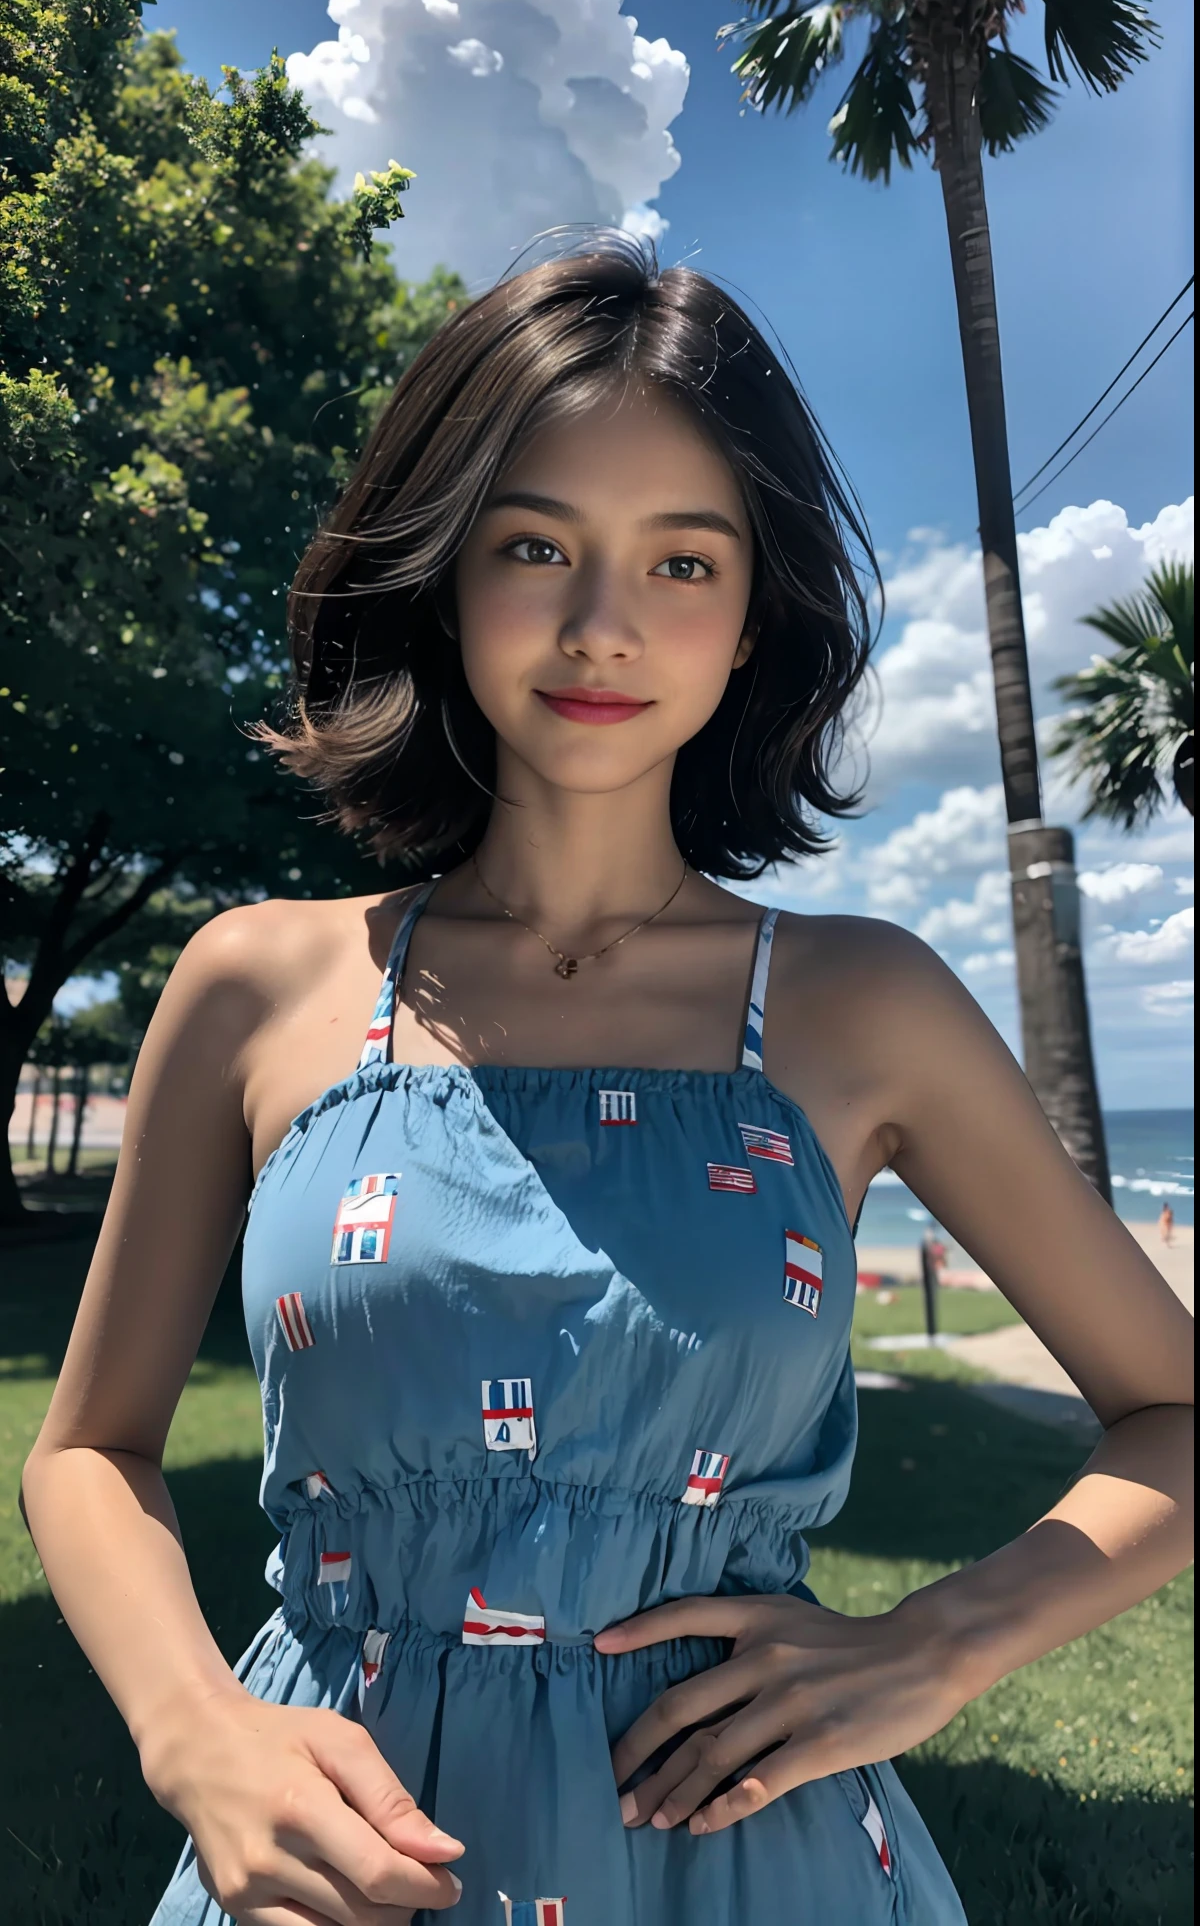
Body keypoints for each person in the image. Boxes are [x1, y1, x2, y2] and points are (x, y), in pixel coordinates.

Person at [21, 239, 1193, 1926]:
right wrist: (194, 1728)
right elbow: (88, 1451)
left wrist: (935, 1644)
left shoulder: (860, 1005)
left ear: (755, 616)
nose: (601, 626)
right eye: (535, 544)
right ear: (441, 570)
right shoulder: (259, 983)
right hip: (322, 1857)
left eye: (683, 562)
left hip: (750, 1861)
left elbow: (1176, 1408)